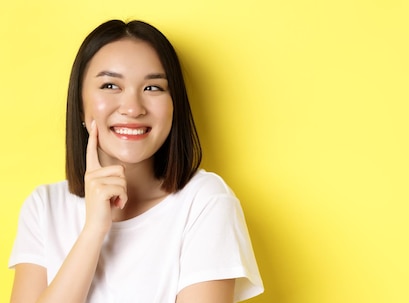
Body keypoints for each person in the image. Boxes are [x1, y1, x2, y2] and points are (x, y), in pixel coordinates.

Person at [8, 19, 263, 303]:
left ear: (173, 105)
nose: (132, 108)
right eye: (110, 85)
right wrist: (94, 230)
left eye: (153, 88)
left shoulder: (205, 203)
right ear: (80, 104)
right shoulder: (44, 207)